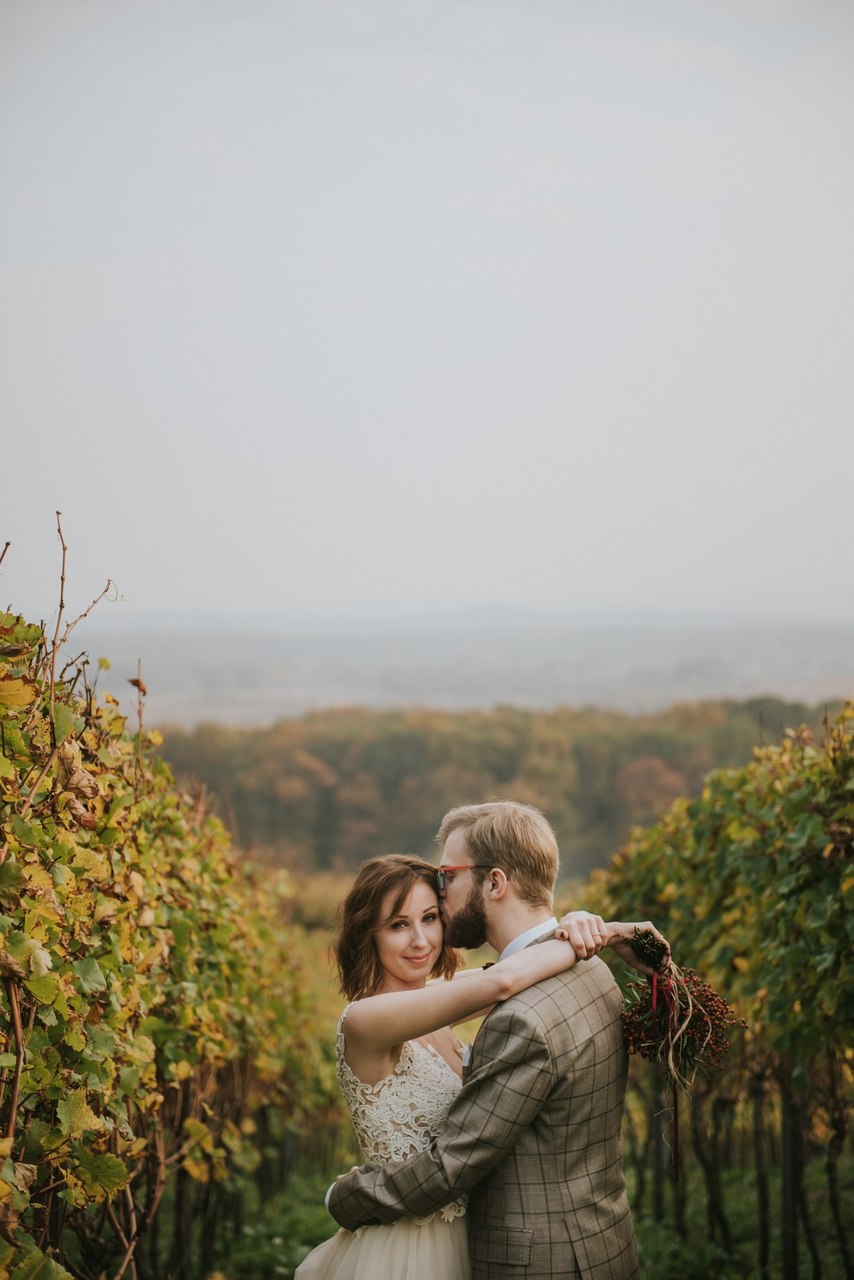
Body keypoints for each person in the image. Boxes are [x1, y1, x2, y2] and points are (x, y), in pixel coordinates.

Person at [300, 814, 667, 1279]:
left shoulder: (438, 1000)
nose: (421, 940)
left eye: (431, 916)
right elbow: (503, 978)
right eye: (397, 925)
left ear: (494, 882)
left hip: (475, 1236)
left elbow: (507, 974)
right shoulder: (367, 1019)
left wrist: (586, 929)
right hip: (409, 1244)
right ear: (366, 935)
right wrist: (606, 933)